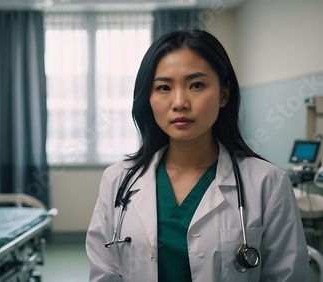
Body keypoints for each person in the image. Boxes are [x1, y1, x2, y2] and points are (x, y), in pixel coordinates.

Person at [85, 29, 309, 281]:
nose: (180, 102)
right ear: (148, 98)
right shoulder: (117, 180)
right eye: (163, 87)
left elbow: (288, 276)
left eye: (197, 85)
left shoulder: (267, 183)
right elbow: (105, 272)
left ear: (224, 94)